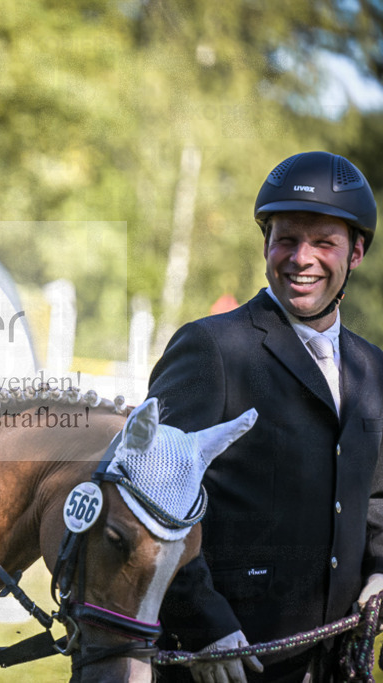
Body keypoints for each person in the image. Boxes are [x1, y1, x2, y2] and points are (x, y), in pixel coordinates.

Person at [149, 151, 383, 682]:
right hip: (225, 660)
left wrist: (380, 569)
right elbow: (152, 501)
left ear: (357, 252)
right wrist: (201, 624)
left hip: (331, 661)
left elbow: (375, 495)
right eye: (286, 239)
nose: (302, 258)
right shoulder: (209, 348)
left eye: (324, 242)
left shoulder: (375, 369)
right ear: (265, 245)